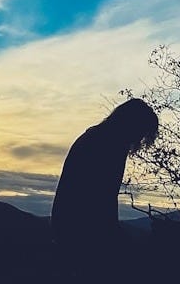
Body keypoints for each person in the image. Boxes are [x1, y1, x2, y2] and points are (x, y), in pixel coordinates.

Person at [51, 98, 158, 280]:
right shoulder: (108, 145)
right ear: (131, 124)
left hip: (72, 223)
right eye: (140, 132)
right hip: (81, 227)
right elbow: (101, 197)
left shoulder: (99, 138)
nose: (140, 139)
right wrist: (111, 234)